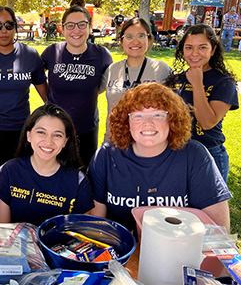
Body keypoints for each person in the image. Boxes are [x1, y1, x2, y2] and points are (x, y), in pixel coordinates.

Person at [88, 83, 231, 234]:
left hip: (180, 252)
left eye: (158, 115)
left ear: (172, 120)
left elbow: (219, 230)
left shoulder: (194, 155)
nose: (148, 123)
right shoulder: (106, 155)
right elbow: (94, 223)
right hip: (122, 252)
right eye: (138, 116)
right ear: (126, 122)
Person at [0, 6, 47, 174]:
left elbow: (46, 96)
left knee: (16, 176)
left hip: (19, 130)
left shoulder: (30, 55)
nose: (3, 30)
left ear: (15, 28)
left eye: (8, 25)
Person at [0, 104, 94, 225]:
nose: (48, 141)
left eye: (57, 135)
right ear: (29, 135)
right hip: (14, 244)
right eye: (41, 132)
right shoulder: (9, 171)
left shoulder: (79, 183)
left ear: (65, 141)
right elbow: (1, 230)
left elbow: (82, 233)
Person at [41, 4, 113, 169]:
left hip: (86, 128)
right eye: (70, 25)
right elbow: (36, 76)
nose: (76, 30)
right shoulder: (52, 52)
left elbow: (106, 84)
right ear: (63, 29)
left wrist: (87, 92)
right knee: (53, 171)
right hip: (54, 128)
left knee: (84, 174)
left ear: (89, 27)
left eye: (82, 24)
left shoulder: (101, 55)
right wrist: (48, 98)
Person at [167, 24, 238, 183]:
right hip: (177, 153)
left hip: (209, 154)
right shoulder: (175, 80)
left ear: (213, 50)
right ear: (182, 50)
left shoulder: (224, 83)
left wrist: (197, 84)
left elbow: (207, 122)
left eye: (202, 47)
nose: (194, 53)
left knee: (208, 207)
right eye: (189, 47)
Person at [102, 18, 172, 139]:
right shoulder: (112, 70)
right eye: (129, 36)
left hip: (147, 143)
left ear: (149, 40)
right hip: (114, 142)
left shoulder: (162, 70)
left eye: (141, 36)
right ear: (121, 41)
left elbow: (174, 110)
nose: (135, 42)